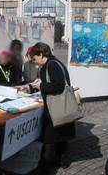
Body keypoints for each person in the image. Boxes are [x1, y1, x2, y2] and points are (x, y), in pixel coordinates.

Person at [28, 42, 75, 174]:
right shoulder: (54, 63)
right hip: (60, 107)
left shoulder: (52, 65)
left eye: (35, 58)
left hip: (55, 108)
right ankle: (62, 160)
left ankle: (46, 166)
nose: (34, 61)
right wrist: (31, 87)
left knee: (49, 139)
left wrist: (41, 87)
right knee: (61, 135)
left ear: (41, 54)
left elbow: (58, 86)